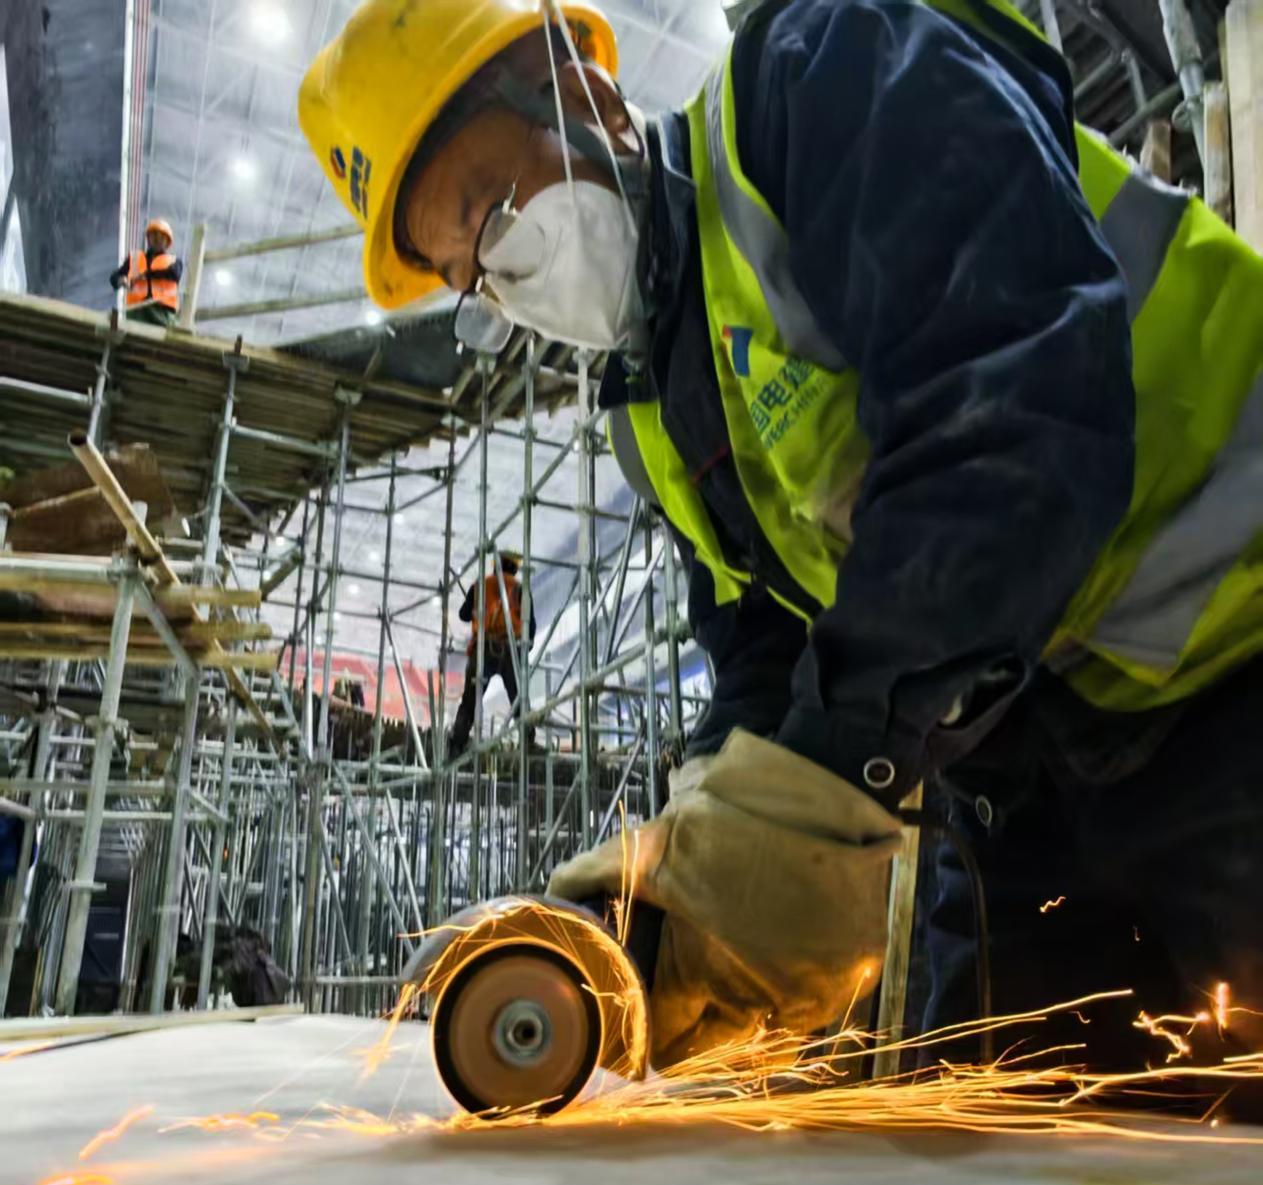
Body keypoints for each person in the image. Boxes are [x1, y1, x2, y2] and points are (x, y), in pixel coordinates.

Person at [300, 0, 1263, 1075]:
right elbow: (766, 659)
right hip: (1026, 763)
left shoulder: (824, 75)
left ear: (581, 90)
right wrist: (679, 881)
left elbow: (1012, 416)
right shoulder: (650, 413)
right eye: (470, 278)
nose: (505, 276)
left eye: (491, 210)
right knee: (986, 1137)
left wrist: (827, 769)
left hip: (1234, 674)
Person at [449, 552, 536, 755]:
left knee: (470, 699)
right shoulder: (520, 589)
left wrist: (477, 609)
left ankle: (457, 744)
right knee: (519, 699)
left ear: (495, 566)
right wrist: (525, 649)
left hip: (483, 650)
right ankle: (528, 741)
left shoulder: (480, 585)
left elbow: (463, 615)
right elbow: (530, 626)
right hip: (511, 651)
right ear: (515, 569)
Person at [109, 218, 182, 326]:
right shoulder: (134, 258)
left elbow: (174, 274)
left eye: (161, 237)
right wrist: (121, 280)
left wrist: (145, 274)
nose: (157, 239)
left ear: (167, 242)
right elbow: (114, 277)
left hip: (163, 313)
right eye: (154, 235)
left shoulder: (174, 261)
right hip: (137, 312)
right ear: (148, 239)